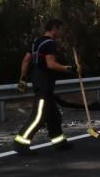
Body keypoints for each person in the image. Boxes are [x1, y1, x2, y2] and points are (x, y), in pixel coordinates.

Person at [13, 18, 74, 153]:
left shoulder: (36, 42)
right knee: (39, 117)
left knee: (54, 115)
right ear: (55, 28)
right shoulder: (50, 43)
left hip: (37, 80)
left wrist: (22, 78)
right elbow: (50, 64)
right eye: (61, 29)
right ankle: (21, 144)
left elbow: (26, 60)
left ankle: (59, 142)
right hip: (45, 83)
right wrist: (69, 68)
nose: (62, 32)